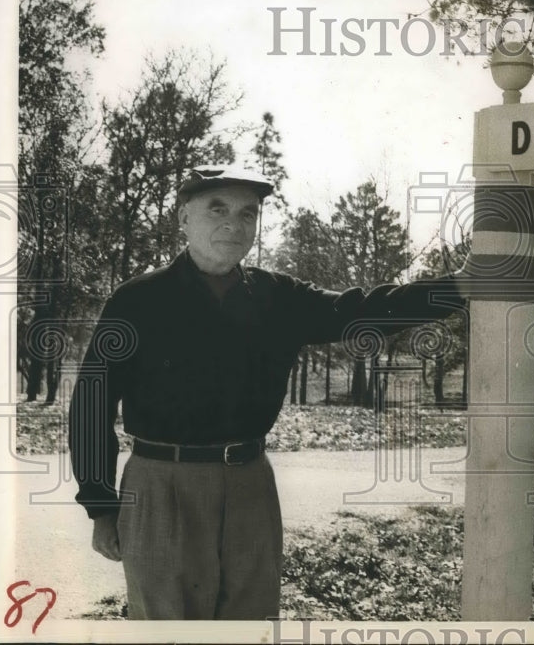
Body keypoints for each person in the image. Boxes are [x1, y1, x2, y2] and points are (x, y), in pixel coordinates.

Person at [69, 165, 466, 620]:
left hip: (250, 485)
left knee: (251, 627)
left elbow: (359, 310)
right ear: (183, 218)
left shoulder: (278, 297)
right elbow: (92, 405)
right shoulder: (137, 300)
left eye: (247, 213)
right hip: (161, 485)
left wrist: (456, 288)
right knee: (166, 631)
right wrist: (100, 505)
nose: (234, 224)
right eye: (217, 209)